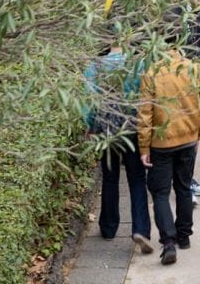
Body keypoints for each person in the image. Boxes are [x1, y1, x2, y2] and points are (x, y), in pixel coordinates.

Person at [138, 44, 200, 265]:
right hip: (188, 137)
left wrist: (144, 147)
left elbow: (145, 113)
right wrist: (198, 133)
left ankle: (168, 241)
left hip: (161, 142)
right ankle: (184, 235)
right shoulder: (194, 68)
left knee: (160, 192)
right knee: (183, 185)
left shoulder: (151, 72)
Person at [84, 41, 153, 255]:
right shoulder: (139, 64)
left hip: (107, 130)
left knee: (110, 177)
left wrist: (91, 126)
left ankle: (108, 227)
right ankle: (141, 228)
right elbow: (147, 97)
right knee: (137, 179)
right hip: (132, 127)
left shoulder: (95, 66)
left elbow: (89, 100)